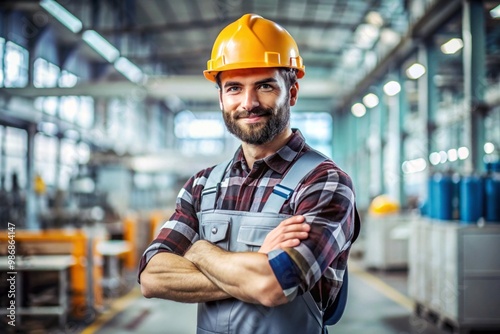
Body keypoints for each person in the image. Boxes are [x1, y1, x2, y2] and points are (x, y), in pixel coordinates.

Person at [138, 13, 357, 334]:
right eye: (234, 88)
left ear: (292, 93)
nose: (249, 102)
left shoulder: (324, 182)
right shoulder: (202, 185)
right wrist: (254, 267)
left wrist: (199, 251)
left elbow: (275, 285)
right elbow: (152, 277)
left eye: (265, 86)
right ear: (221, 98)